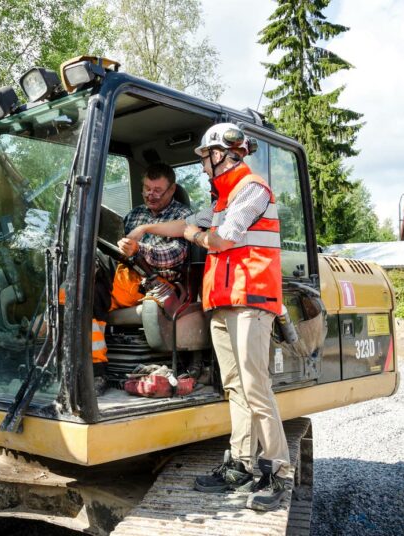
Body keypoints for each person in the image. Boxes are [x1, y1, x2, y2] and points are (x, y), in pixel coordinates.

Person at [125, 123, 291, 512]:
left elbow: (220, 240)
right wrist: (148, 227)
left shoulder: (252, 189)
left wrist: (195, 234)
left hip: (250, 300)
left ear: (223, 154)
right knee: (234, 385)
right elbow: (184, 226)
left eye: (204, 158)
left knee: (256, 387)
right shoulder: (220, 199)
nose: (202, 167)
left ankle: (276, 470)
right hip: (223, 301)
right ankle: (242, 463)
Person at [91, 163, 192, 395]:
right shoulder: (135, 214)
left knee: (89, 282)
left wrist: (139, 249)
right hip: (125, 276)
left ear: (172, 189)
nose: (150, 195)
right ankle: (93, 370)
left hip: (156, 283)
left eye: (158, 190)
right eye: (147, 188)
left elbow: (176, 254)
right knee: (83, 287)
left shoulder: (183, 216)